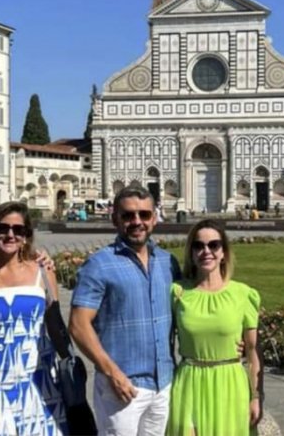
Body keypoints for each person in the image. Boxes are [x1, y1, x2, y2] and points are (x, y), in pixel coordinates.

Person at [70, 185, 180, 436]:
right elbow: (78, 325)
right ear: (115, 219)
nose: (137, 221)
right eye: (128, 215)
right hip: (121, 385)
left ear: (155, 218)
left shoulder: (167, 262)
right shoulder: (98, 264)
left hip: (162, 383)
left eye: (144, 214)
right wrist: (112, 372)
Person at [0, 201, 67, 434]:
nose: (10, 235)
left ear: (26, 235)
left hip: (40, 381)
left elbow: (56, 324)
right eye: (3, 228)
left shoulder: (43, 271)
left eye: (18, 230)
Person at [167, 219, 262, 436]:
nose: (206, 251)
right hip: (189, 382)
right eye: (198, 246)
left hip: (230, 383)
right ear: (191, 253)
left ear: (224, 253)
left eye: (214, 245)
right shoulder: (177, 293)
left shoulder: (243, 294)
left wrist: (256, 396)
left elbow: (253, 351)